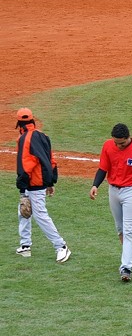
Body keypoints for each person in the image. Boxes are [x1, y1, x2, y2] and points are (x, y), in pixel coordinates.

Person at [89, 123, 132, 283]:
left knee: (129, 229)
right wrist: (95, 185)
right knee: (120, 228)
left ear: (128, 137)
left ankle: (126, 267)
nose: (119, 146)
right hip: (113, 190)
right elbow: (103, 168)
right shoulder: (108, 146)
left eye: (122, 143)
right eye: (116, 143)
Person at [14, 108, 71, 263]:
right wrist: (50, 182)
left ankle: (61, 246)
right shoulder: (43, 136)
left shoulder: (24, 139)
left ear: (19, 123)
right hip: (39, 181)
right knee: (23, 211)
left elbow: (25, 166)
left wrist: (22, 187)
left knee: (39, 215)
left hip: (33, 182)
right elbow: (50, 159)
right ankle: (25, 245)